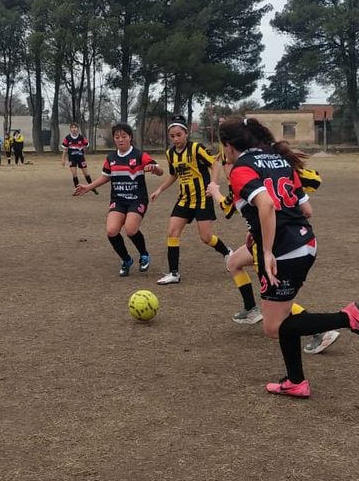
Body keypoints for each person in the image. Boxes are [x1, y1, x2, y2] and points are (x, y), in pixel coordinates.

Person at [209, 116, 359, 399]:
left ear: (228, 146)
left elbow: (266, 204)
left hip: (283, 251)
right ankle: (296, 382)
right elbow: (306, 211)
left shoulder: (241, 168)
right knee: (283, 318)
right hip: (306, 242)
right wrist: (256, 231)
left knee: (273, 326)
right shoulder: (279, 161)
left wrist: (266, 250)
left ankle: (347, 318)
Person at [217, 166, 341, 355]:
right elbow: (311, 186)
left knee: (276, 300)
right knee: (233, 262)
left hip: (273, 244)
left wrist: (214, 191)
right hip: (274, 237)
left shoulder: (245, 171)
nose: (225, 164)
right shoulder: (273, 165)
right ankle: (251, 309)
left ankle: (322, 331)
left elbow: (228, 207)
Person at [148, 115, 231, 284]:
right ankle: (174, 273)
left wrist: (213, 184)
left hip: (202, 198)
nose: (176, 139)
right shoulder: (170, 153)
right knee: (172, 232)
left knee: (206, 238)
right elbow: (173, 175)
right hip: (184, 199)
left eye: (179, 135)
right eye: (172, 136)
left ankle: (228, 252)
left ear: (186, 133)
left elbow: (215, 165)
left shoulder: (196, 148)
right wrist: (160, 189)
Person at [74, 122, 163, 276]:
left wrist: (154, 168)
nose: (120, 139)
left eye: (124, 136)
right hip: (119, 199)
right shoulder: (111, 158)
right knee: (111, 231)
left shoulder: (139, 155)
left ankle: (144, 254)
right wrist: (88, 187)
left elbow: (160, 171)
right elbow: (105, 177)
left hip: (137, 199)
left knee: (130, 229)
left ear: (130, 137)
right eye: (117, 137)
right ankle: (126, 259)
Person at [62, 123, 96, 193]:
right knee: (74, 174)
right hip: (72, 158)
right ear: (70, 129)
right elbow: (65, 149)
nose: (74, 129)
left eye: (75, 127)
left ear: (78, 129)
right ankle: (77, 190)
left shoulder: (81, 138)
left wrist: (83, 154)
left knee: (86, 174)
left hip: (81, 158)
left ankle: (92, 187)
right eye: (72, 128)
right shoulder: (67, 138)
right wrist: (63, 159)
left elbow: (86, 145)